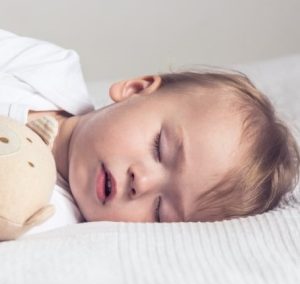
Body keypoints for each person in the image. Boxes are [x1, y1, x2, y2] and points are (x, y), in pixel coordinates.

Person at [0, 30, 299, 236]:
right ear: (135, 90)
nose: (140, 182)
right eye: (159, 148)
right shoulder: (51, 69)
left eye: (160, 211)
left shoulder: (46, 215)